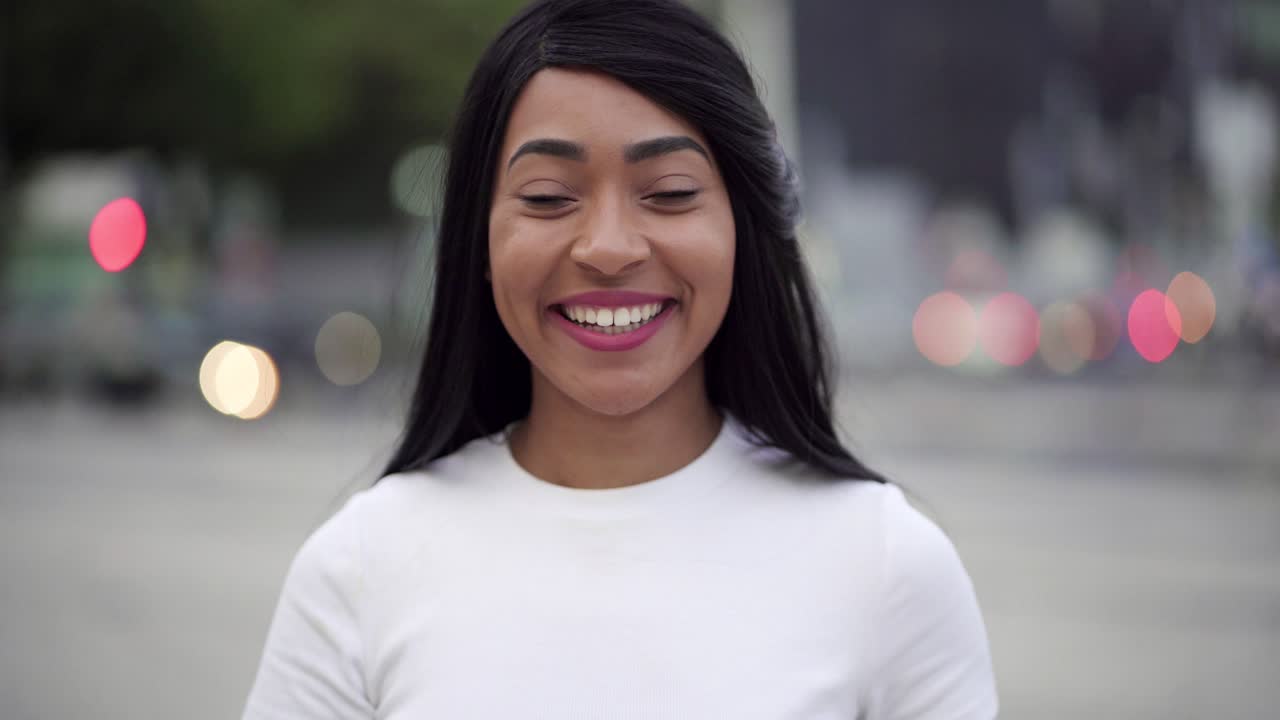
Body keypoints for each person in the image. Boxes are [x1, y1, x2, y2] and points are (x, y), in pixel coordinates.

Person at [242, 0, 998, 717]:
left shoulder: (886, 565)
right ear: (477, 238)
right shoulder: (359, 570)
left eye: (668, 193)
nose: (607, 248)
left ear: (743, 228)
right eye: (546, 197)